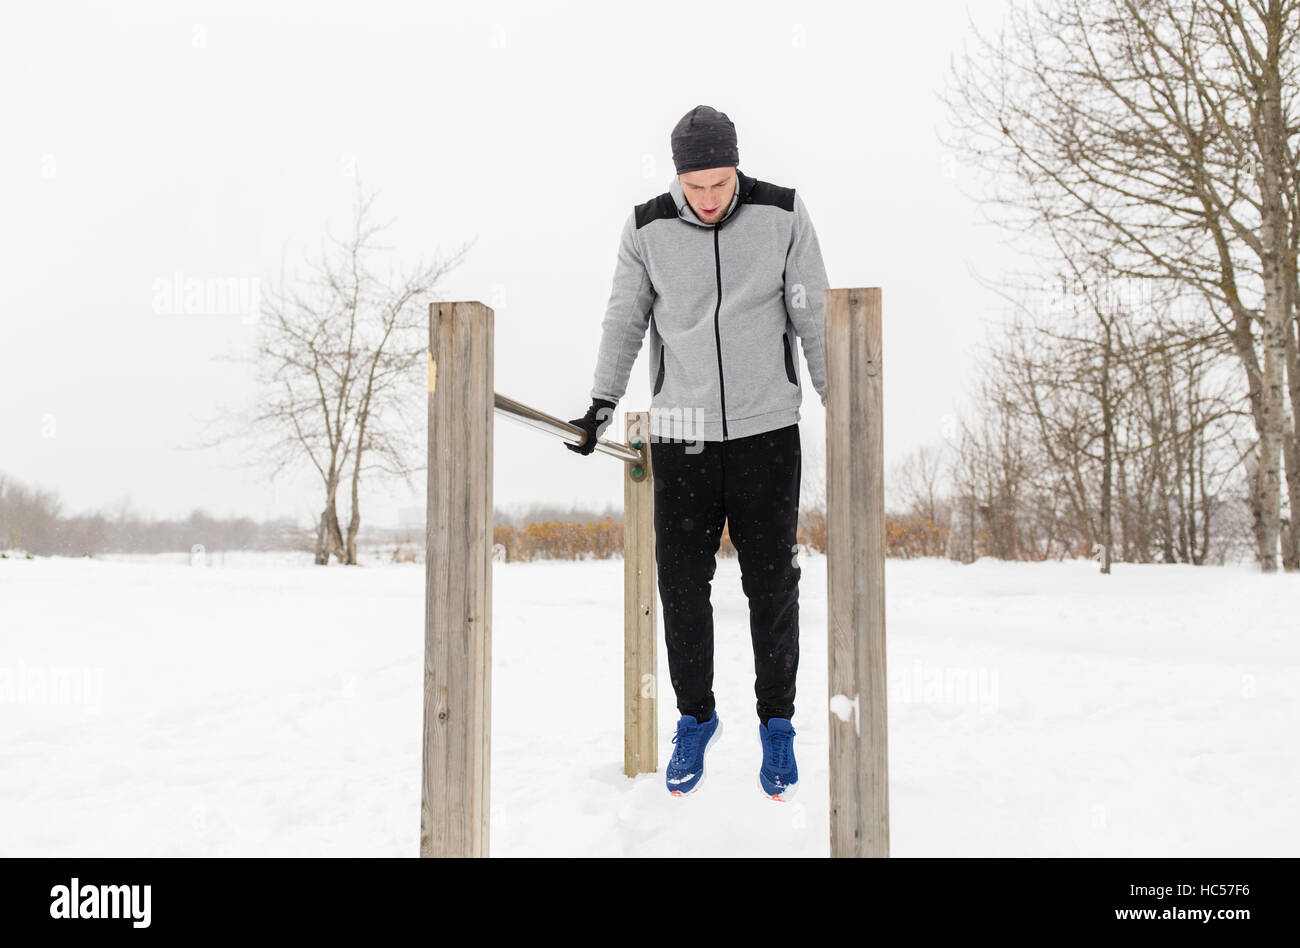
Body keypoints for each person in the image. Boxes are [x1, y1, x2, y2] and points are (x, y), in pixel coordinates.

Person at [566, 105, 829, 801]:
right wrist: (600, 403)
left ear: (736, 166)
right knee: (682, 584)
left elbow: (815, 319)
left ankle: (777, 722)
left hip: (766, 428)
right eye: (695, 186)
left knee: (771, 582)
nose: (708, 200)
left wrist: (846, 404)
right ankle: (696, 716)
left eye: (718, 183)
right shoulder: (647, 227)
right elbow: (624, 318)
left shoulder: (784, 213)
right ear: (676, 176)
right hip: (680, 429)